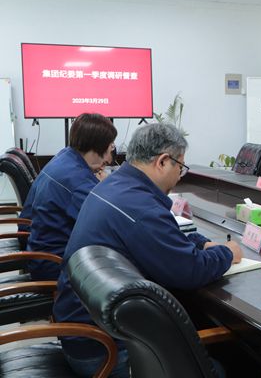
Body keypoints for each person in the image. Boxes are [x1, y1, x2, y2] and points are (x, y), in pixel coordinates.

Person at [53, 123, 242, 377]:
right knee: (232, 364)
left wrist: (200, 243)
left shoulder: (117, 184)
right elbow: (191, 270)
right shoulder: (141, 207)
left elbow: (161, 236)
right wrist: (228, 253)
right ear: (162, 162)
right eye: (180, 167)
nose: (179, 176)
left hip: (84, 335)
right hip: (107, 351)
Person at [24, 113, 117, 280]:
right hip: (55, 265)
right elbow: (108, 224)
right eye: (111, 148)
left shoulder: (65, 157)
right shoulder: (78, 182)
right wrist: (105, 187)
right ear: (99, 146)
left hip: (39, 252)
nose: (110, 159)